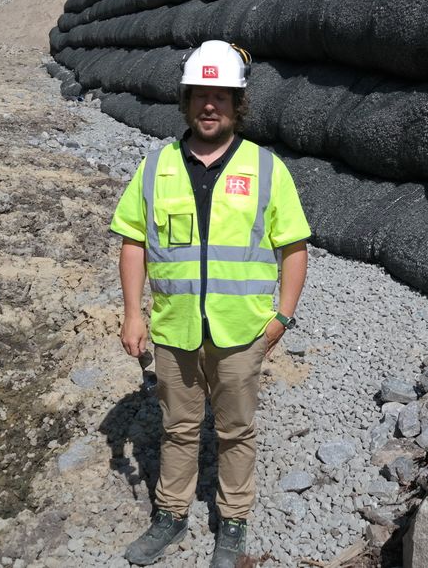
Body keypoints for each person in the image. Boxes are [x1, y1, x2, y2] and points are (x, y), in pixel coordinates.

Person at [110, 40, 310, 567]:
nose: (209, 105)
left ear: (237, 103)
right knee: (176, 429)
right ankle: (172, 515)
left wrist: (281, 318)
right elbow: (133, 240)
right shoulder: (156, 168)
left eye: (221, 95)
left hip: (241, 333)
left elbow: (294, 247)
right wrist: (133, 313)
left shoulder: (267, 170)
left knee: (235, 431)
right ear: (186, 98)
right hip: (175, 329)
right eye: (200, 93)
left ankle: (234, 521)